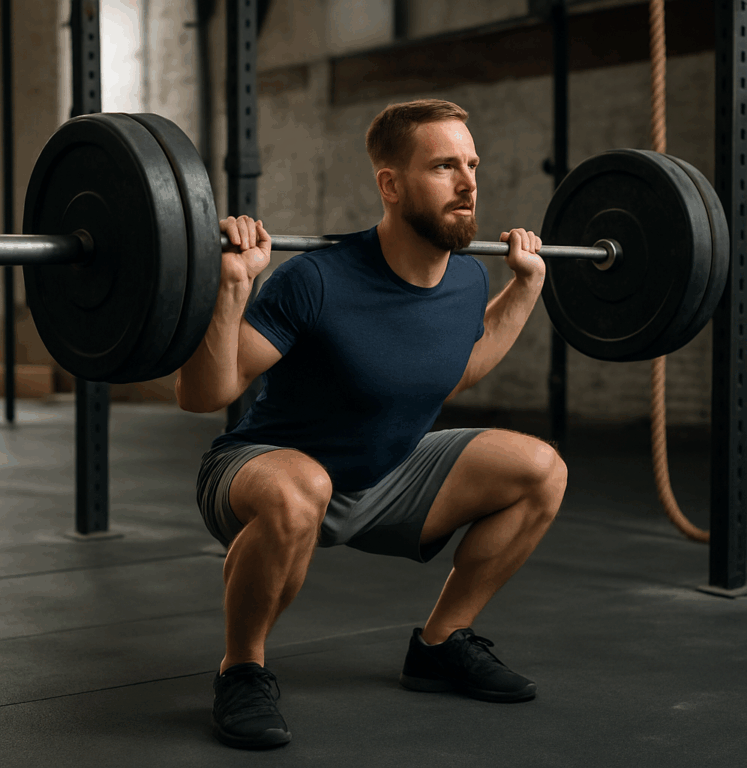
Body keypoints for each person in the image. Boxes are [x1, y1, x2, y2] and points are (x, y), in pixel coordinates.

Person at [178, 99, 568, 751]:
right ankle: (242, 668)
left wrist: (525, 290)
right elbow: (206, 393)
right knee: (298, 490)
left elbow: (456, 368)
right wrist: (230, 290)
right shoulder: (317, 278)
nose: (470, 183)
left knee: (540, 471)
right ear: (391, 184)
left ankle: (441, 645)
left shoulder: (469, 280)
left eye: (472, 164)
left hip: (387, 471)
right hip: (267, 467)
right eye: (445, 166)